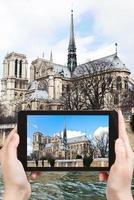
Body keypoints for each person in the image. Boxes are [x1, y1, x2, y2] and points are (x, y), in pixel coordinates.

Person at [0, 110, 133, 200]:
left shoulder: (67, 142)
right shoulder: (50, 144)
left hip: (72, 150)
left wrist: (15, 192)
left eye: (37, 136)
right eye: (36, 136)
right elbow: (51, 150)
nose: (36, 137)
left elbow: (70, 148)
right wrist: (120, 194)